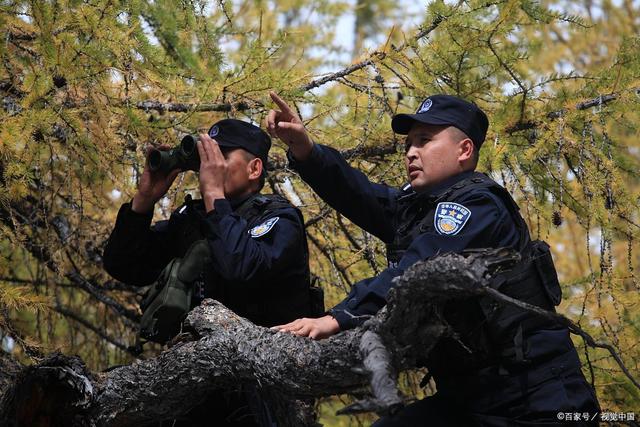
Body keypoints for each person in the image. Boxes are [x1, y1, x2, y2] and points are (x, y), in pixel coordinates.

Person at [267, 92, 600, 426]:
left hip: (538, 400)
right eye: (408, 144)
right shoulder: (419, 206)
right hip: (468, 398)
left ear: (464, 150)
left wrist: (336, 319)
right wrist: (306, 150)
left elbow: (418, 265)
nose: (411, 152)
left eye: (425, 141)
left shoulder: (477, 206)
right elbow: (361, 194)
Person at [103, 118, 313, 426]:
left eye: (221, 157)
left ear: (254, 169)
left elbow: (241, 268)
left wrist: (215, 196)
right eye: (206, 157)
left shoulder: (279, 218)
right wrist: (144, 201)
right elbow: (124, 264)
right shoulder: (194, 218)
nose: (209, 166)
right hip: (192, 390)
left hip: (261, 395)